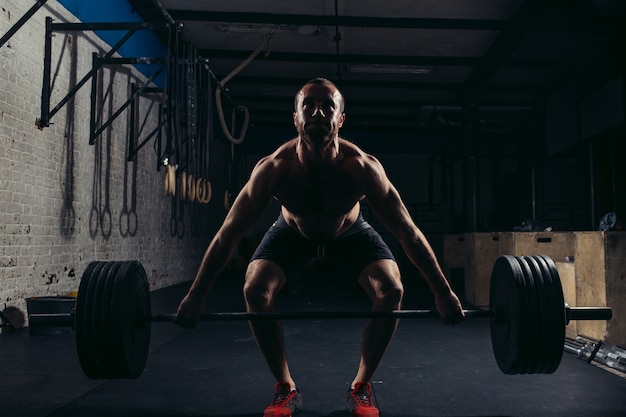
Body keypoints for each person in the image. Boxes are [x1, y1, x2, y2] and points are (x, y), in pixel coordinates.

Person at [175, 78, 465, 417]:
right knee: (254, 287)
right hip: (292, 232)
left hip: (349, 231)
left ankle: (362, 386)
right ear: (296, 117)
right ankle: (285, 388)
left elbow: (408, 232)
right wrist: (196, 294)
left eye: (328, 106)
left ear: (341, 118)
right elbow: (229, 233)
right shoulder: (273, 169)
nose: (318, 112)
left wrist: (442, 292)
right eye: (308, 105)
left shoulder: (362, 168)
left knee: (391, 289)